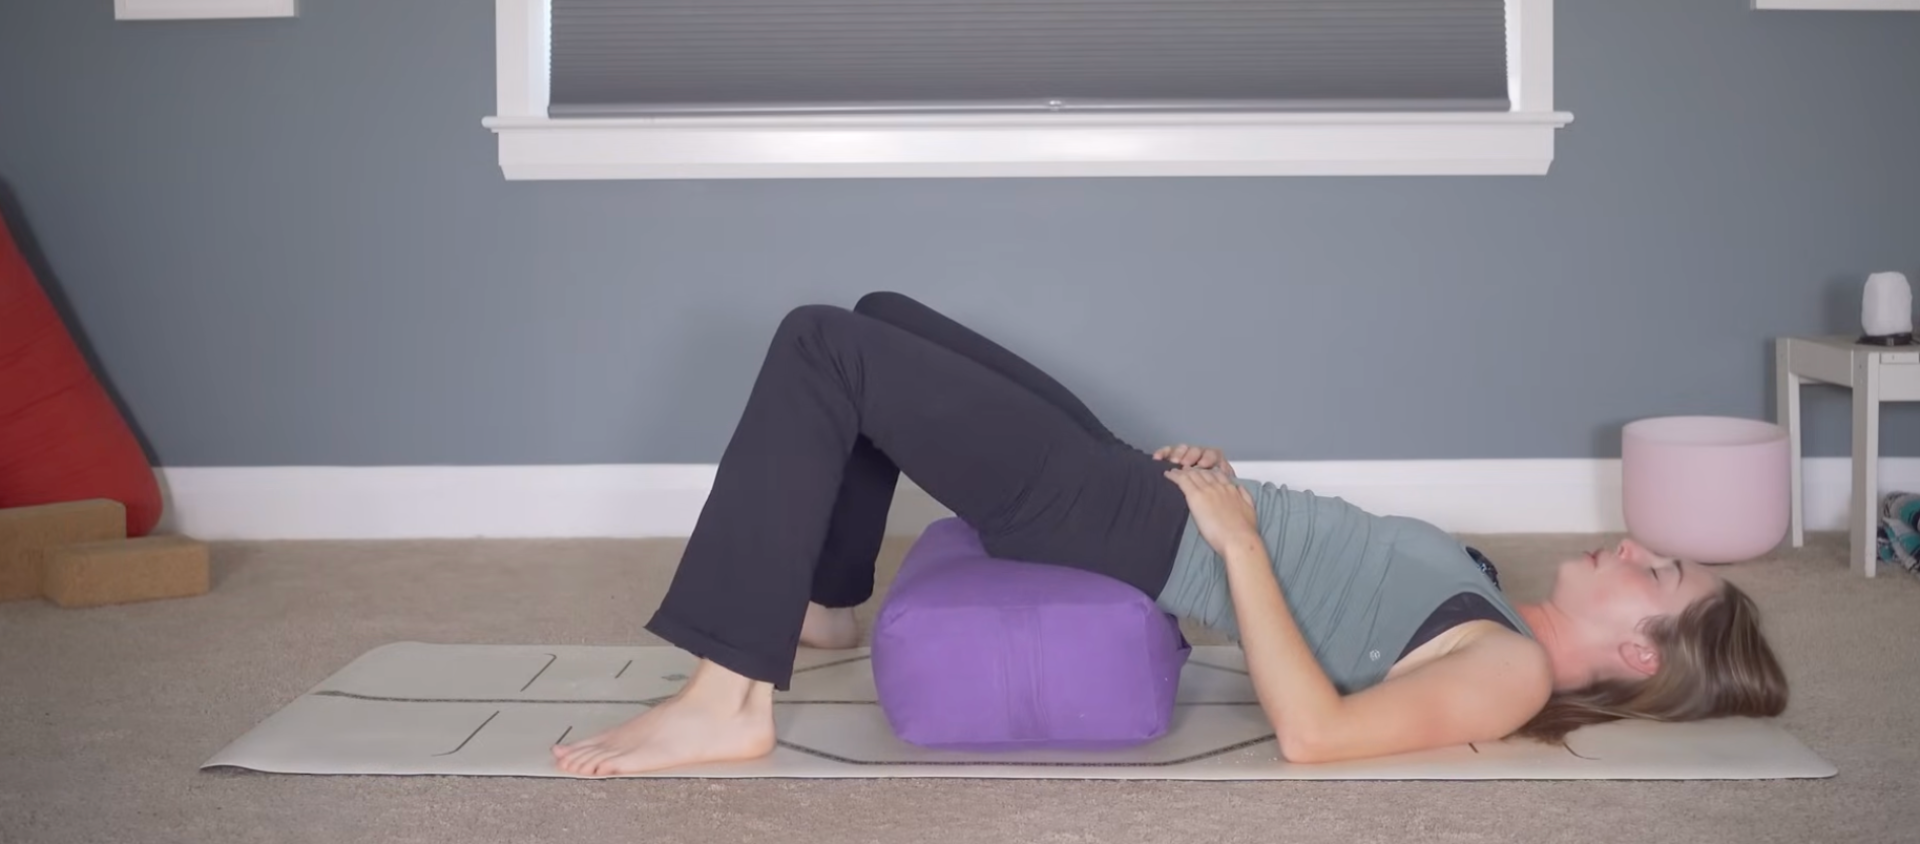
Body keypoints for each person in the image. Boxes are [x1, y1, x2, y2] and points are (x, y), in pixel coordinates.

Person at [552, 292, 1788, 776]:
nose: (1634, 550)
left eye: (1655, 576)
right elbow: (1329, 578)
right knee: (885, 319)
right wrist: (1229, 493)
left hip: (1136, 537)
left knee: (827, 345)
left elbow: (1317, 737)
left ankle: (729, 695)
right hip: (1157, 502)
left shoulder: (1512, 676)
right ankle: (824, 602)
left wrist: (1235, 541)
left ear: (1639, 654)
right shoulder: (1496, 604)